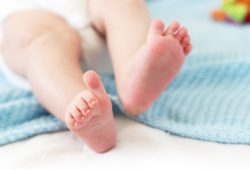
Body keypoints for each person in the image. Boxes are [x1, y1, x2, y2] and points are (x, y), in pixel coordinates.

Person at [0, 0, 192, 153]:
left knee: (123, 5)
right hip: (27, 12)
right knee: (39, 41)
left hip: (103, 29)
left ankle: (134, 76)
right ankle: (83, 108)